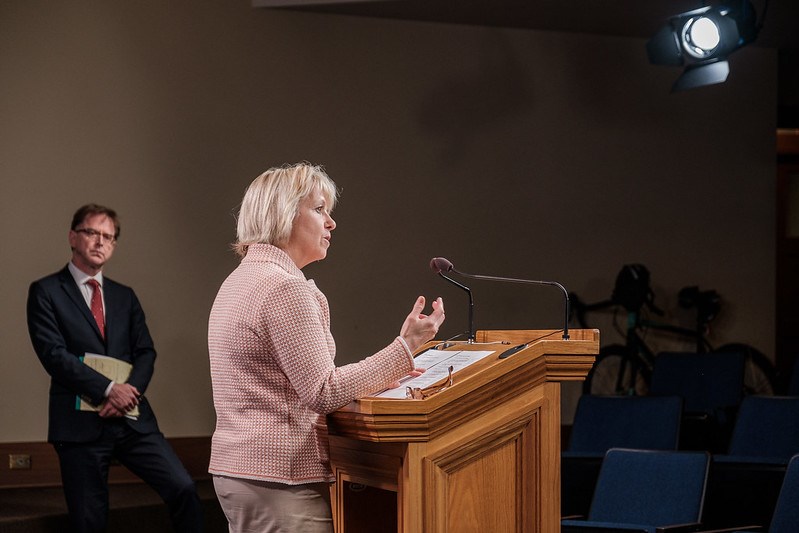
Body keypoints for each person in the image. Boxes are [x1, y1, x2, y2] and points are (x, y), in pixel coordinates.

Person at [208, 163, 445, 532]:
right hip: (279, 477)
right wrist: (406, 347)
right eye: (319, 210)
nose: (331, 223)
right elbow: (323, 390)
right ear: (283, 214)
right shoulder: (285, 288)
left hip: (240, 472)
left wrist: (386, 375)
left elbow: (287, 382)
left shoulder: (240, 280)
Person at [26, 204, 204, 533]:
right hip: (79, 426)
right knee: (89, 521)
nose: (100, 242)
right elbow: (53, 354)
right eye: (92, 232)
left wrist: (128, 393)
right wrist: (109, 390)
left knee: (183, 489)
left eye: (108, 236)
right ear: (72, 237)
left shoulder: (125, 296)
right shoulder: (46, 291)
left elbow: (146, 351)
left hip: (132, 420)